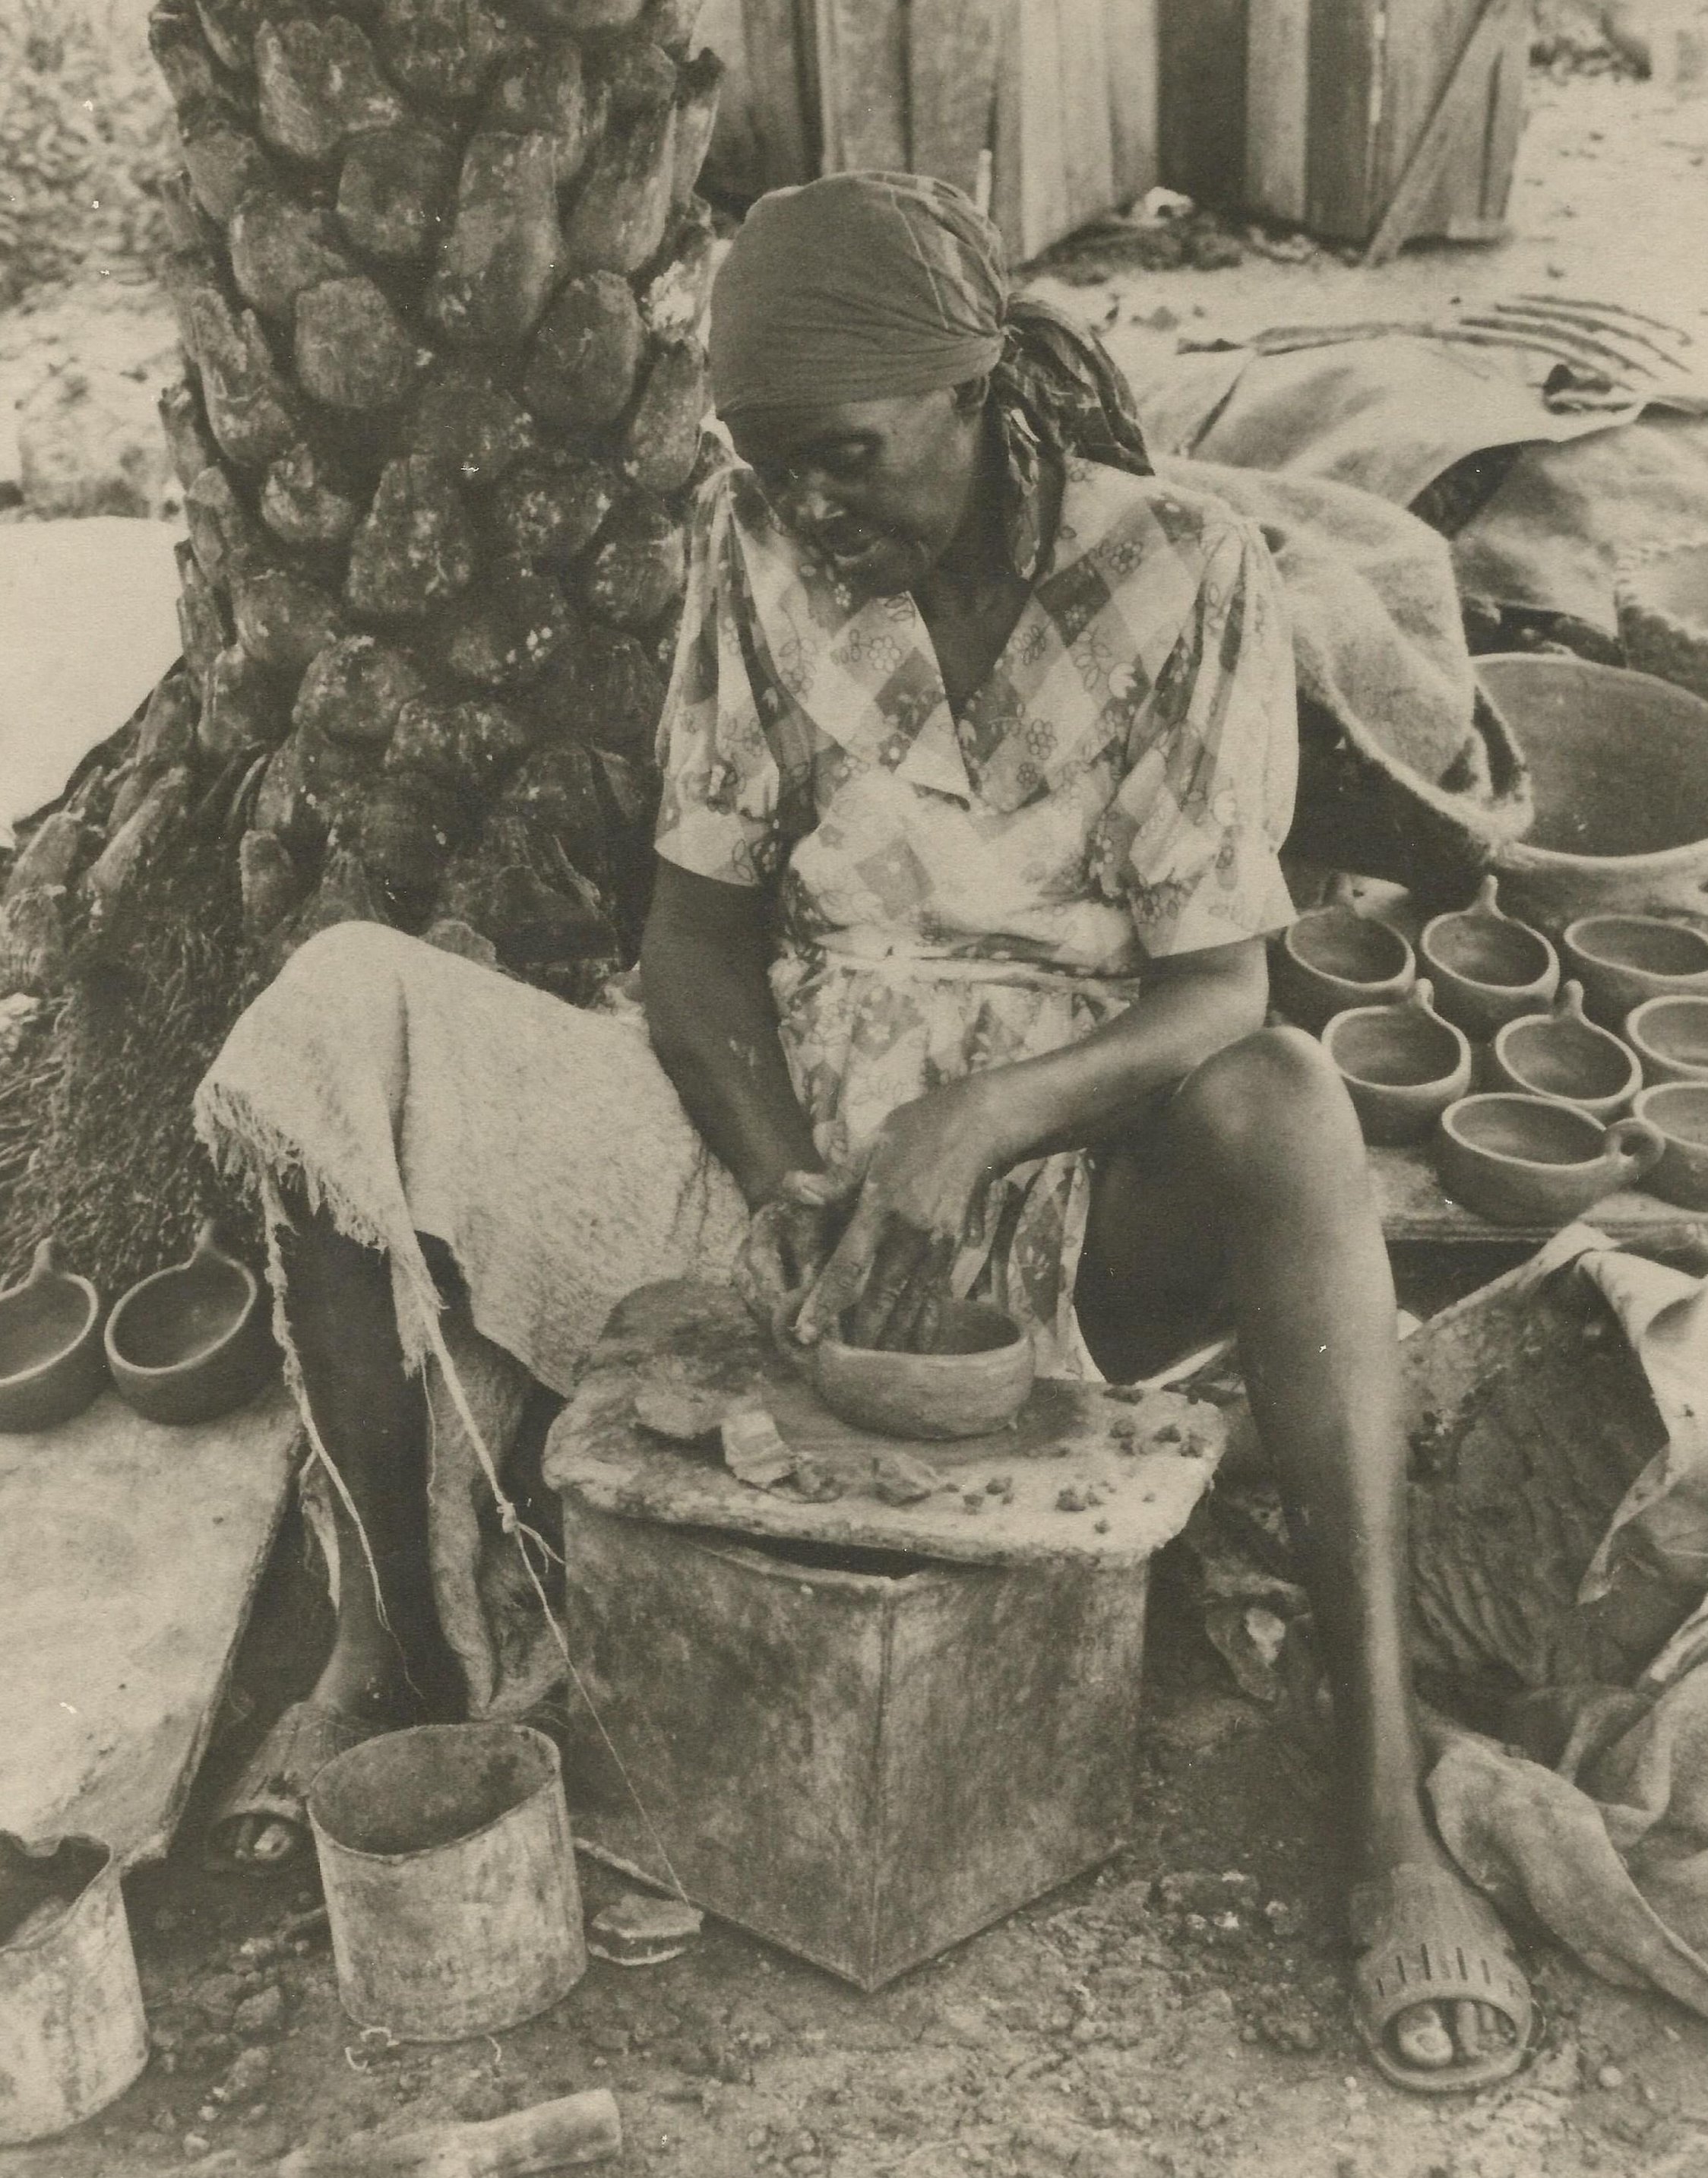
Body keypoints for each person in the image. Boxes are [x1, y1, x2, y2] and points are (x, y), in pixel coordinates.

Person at [197, 173, 1530, 2091]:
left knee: (1291, 1096)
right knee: (337, 1012)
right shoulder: (756, 553)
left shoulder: (1186, 569)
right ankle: (405, 1657)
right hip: (792, 1152)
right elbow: (694, 939)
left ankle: (1381, 1803)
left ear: (977, 387)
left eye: (838, 455)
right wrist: (790, 1182)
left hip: (1077, 1171)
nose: (806, 505)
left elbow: (1217, 989)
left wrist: (980, 1122)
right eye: (766, 464)